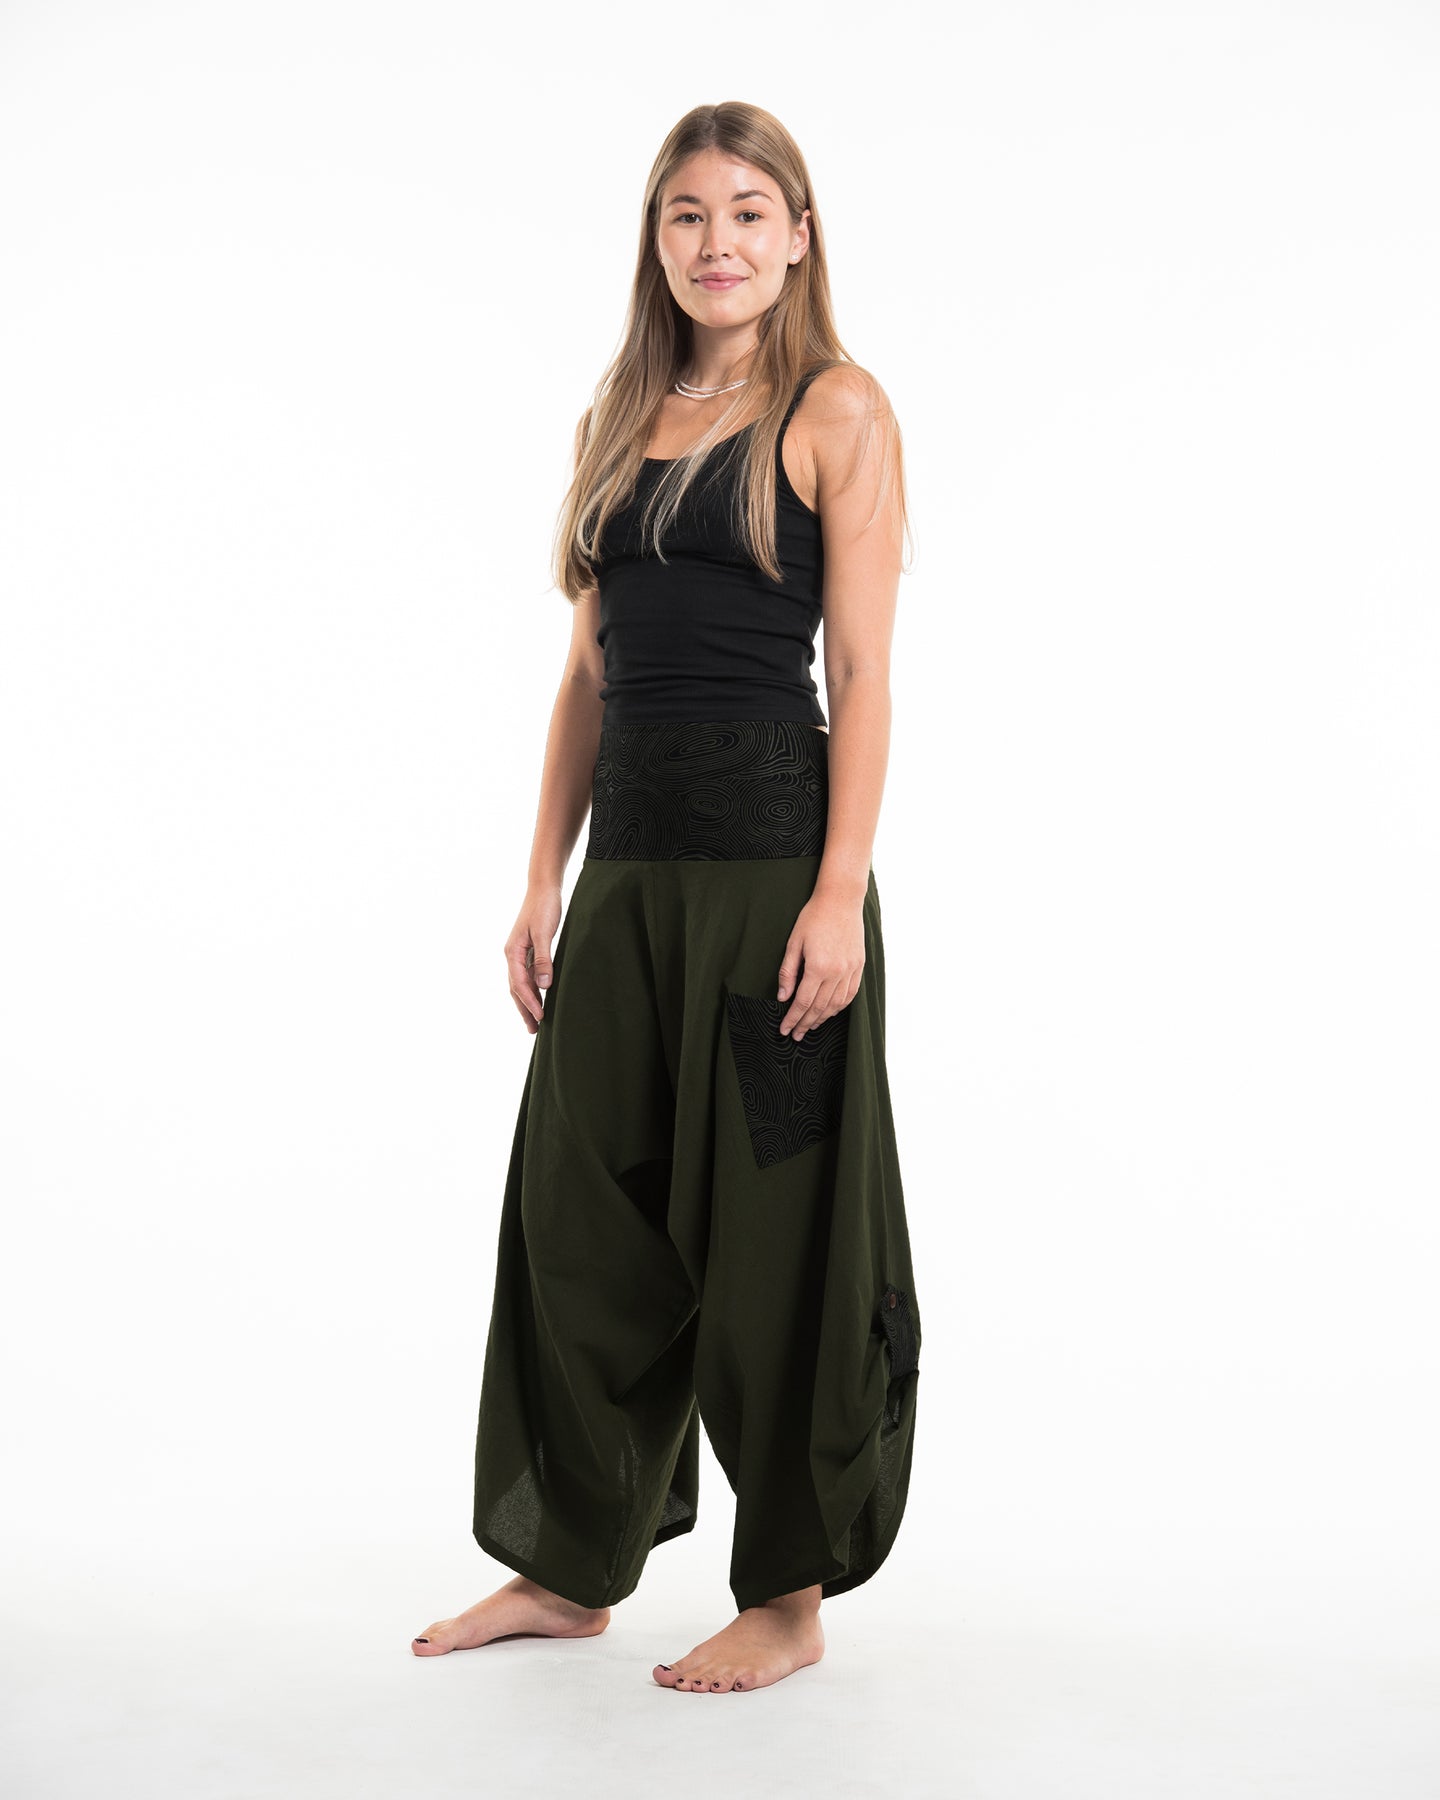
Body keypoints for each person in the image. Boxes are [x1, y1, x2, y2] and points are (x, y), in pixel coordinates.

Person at [412, 99, 921, 1695]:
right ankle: (569, 1568)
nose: (719, 243)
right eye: (689, 214)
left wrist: (837, 894)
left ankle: (789, 1598)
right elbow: (587, 674)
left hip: (772, 878)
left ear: (800, 236)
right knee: (578, 1222)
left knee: (775, 1240)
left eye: (750, 212)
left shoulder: (839, 408)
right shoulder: (620, 413)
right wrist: (541, 878)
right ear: (657, 238)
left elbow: (865, 674)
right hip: (628, 882)